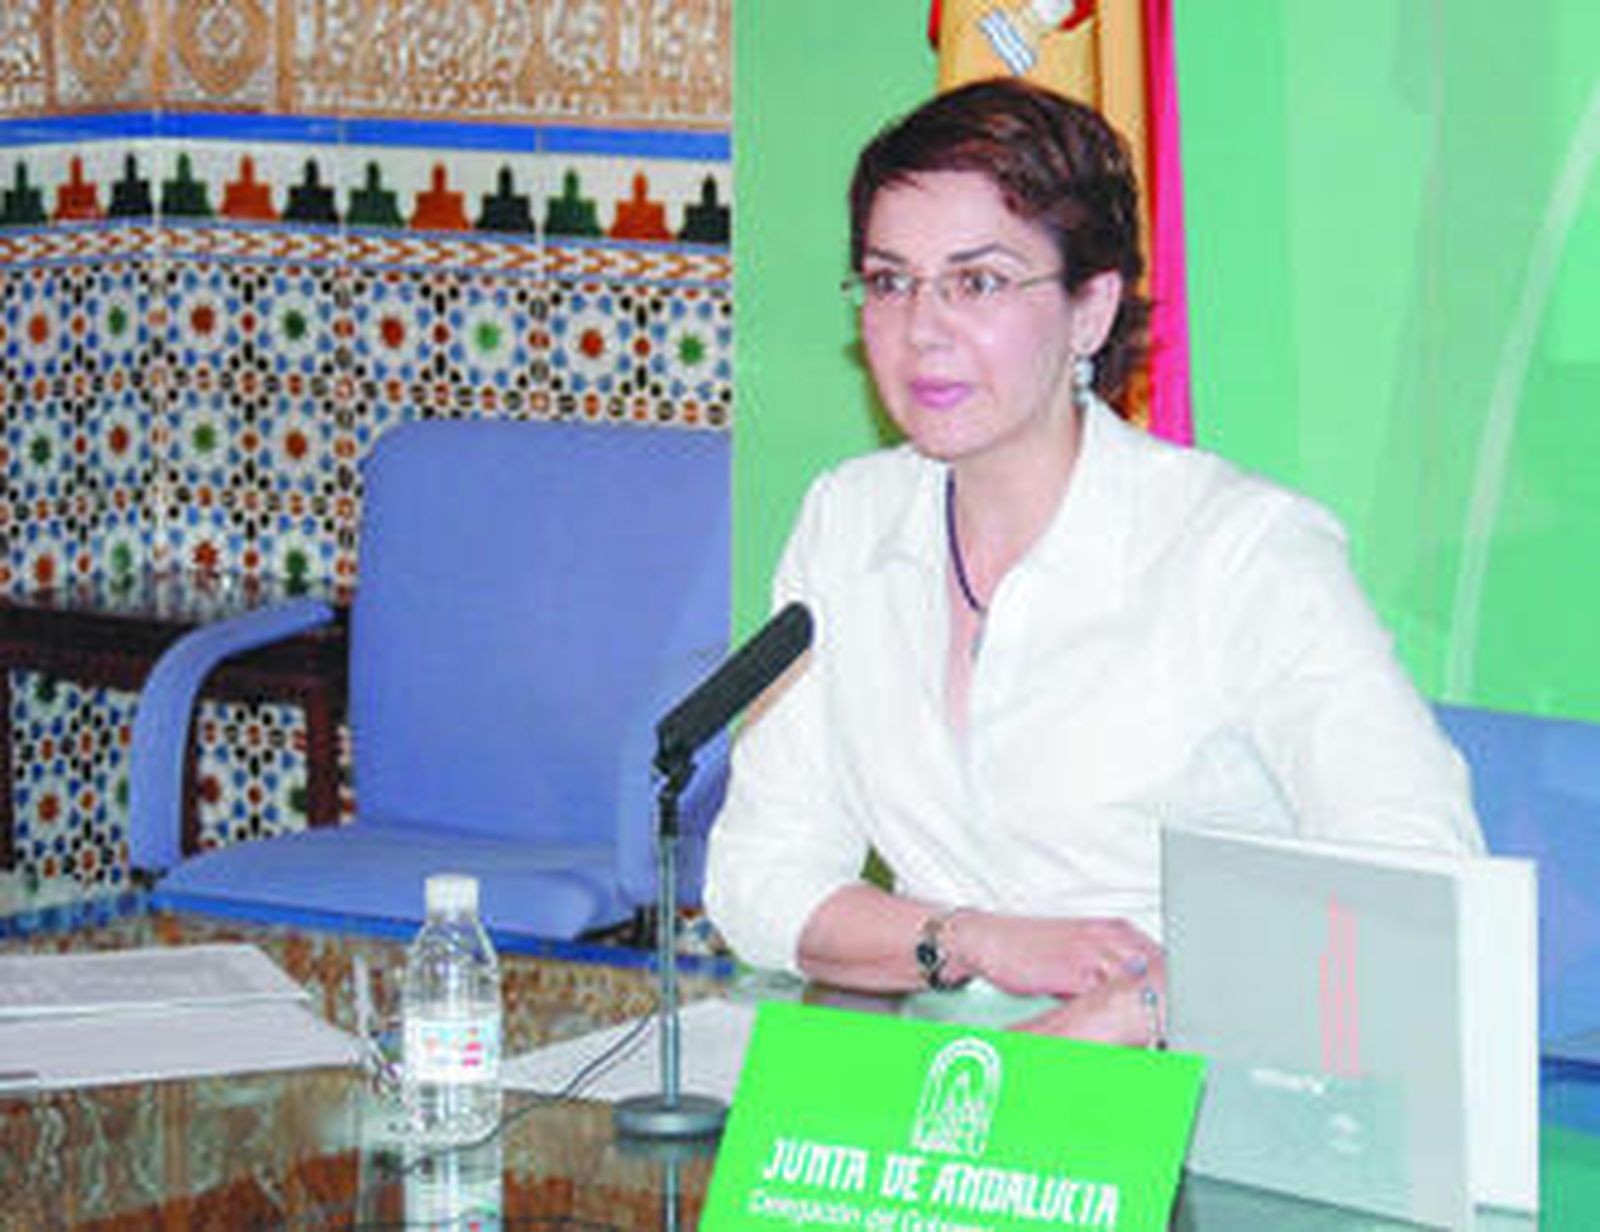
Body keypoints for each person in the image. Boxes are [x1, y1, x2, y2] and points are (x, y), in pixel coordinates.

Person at [704, 78, 1483, 1045]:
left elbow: (1418, 876)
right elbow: (757, 879)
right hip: (946, 1104)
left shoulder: (1241, 548)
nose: (922, 327)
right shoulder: (847, 522)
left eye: (978, 281)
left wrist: (1150, 1005)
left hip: (1210, 1094)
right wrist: (976, 941)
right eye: (890, 280)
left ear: (1090, 310)